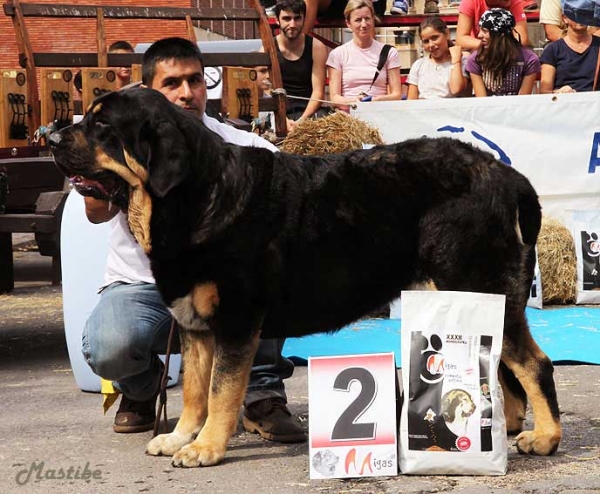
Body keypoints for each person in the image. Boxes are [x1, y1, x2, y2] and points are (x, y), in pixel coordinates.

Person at [82, 37, 306, 443]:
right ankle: (142, 391)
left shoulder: (246, 146)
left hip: (220, 283)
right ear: (149, 91)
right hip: (143, 284)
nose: (187, 94)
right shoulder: (114, 142)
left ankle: (263, 396)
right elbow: (95, 215)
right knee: (108, 345)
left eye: (195, 81)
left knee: (264, 277)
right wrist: (108, 184)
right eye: (172, 84)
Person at [326, 0, 402, 111]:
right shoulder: (337, 54)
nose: (364, 24)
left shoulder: (390, 52)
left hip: (379, 113)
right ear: (348, 23)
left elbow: (396, 95)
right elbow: (334, 98)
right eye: (358, 20)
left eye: (367, 18)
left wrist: (375, 100)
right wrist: (354, 101)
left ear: (373, 19)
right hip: (349, 116)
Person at [269, 0, 329, 132]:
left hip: (309, 112)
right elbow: (265, 90)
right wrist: (282, 119)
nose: (292, 24)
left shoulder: (317, 48)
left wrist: (301, 121)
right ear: (277, 20)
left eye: (297, 18)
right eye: (287, 19)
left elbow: (318, 93)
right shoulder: (268, 48)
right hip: (278, 112)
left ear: (304, 19)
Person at [465, 8, 540, 96]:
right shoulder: (475, 59)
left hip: (517, 108)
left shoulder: (529, 60)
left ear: (501, 35)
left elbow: (522, 100)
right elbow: (482, 100)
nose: (479, 35)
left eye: (485, 31)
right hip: (487, 108)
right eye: (480, 30)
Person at [407, 16, 469, 99]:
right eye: (426, 41)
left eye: (435, 38)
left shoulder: (462, 60)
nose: (431, 45)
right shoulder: (418, 65)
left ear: (447, 34)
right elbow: (411, 100)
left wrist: (455, 60)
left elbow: (456, 89)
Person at [540, 14, 600, 93]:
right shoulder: (552, 49)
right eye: (575, 13)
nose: (581, 17)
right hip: (564, 103)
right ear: (565, 18)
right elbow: (545, 91)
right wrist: (559, 92)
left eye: (585, 13)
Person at [456, 0, 530, 52]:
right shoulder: (471, 2)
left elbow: (522, 40)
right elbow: (461, 40)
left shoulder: (515, 2)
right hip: (478, 52)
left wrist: (496, 47)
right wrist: (491, 47)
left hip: (506, 52)